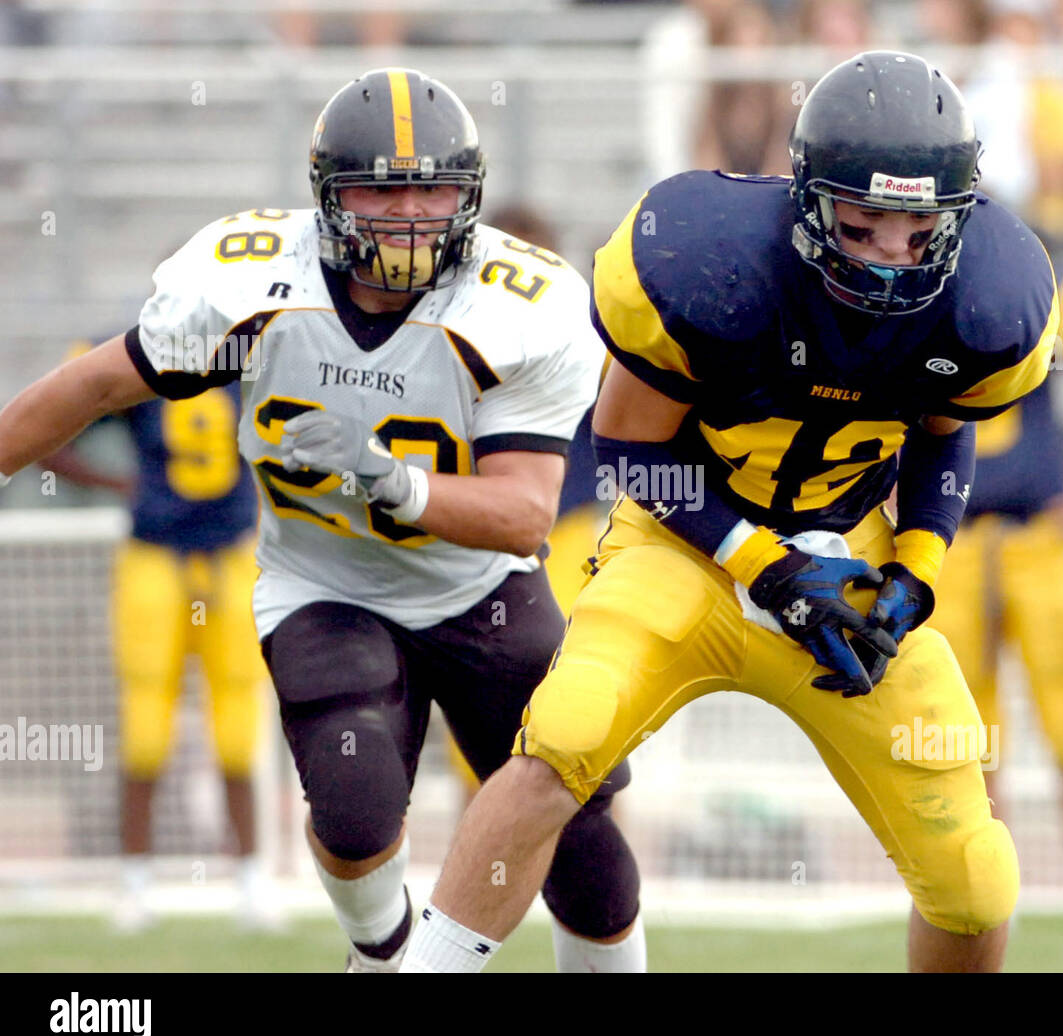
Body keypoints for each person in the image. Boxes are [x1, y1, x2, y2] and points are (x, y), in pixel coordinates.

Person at [400, 51, 1059, 974]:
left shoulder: (992, 297)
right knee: (564, 739)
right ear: (806, 201)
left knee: (975, 876)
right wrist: (766, 568)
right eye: (862, 228)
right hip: (690, 547)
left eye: (917, 231)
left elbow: (947, 433)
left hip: (853, 556)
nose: (888, 260)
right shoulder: (707, 264)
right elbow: (631, 451)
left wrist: (918, 569)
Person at [0, 68, 643, 973]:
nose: (411, 212)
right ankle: (382, 957)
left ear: (470, 193)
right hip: (325, 581)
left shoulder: (517, 304)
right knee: (352, 806)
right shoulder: (256, 287)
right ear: (329, 195)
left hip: (479, 588)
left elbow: (522, 516)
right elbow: (95, 384)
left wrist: (388, 478)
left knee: (577, 830)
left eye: (432, 187)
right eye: (383, 186)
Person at [926, 252, 1063, 934]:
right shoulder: (915, 314)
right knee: (973, 735)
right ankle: (995, 897)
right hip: (954, 543)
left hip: (1039, 538)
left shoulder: (1036, 306)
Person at [42, 355, 275, 933]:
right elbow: (47, 428)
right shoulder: (135, 354)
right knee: (145, 732)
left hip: (229, 555)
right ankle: (135, 884)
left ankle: (250, 882)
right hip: (155, 558)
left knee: (237, 734)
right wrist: (120, 483)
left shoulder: (263, 345)